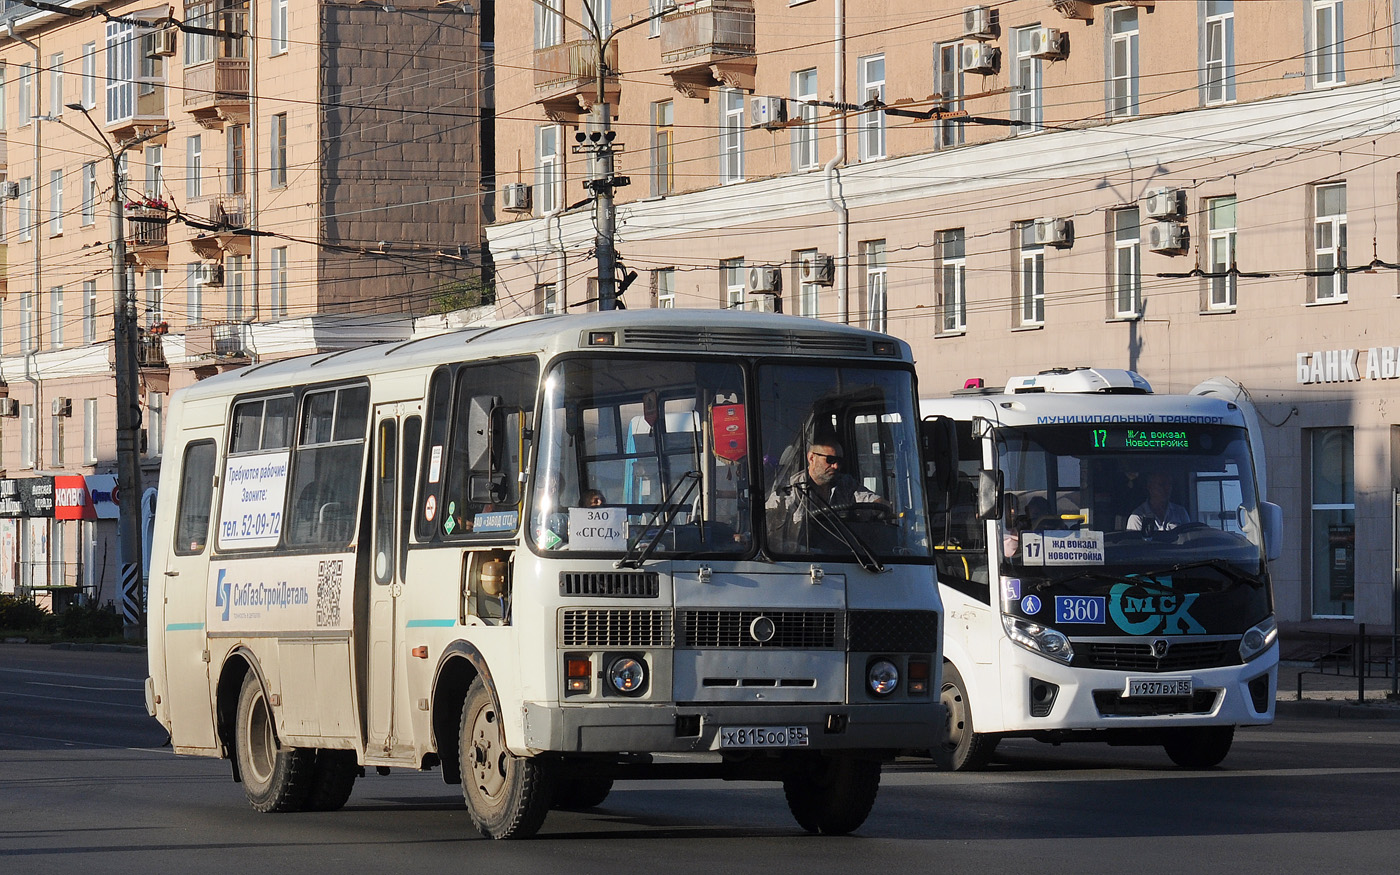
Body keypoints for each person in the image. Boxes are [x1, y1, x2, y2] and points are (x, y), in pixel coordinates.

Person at [766, 437, 888, 550]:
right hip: (802, 561)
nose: (835, 466)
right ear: (811, 458)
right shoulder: (788, 493)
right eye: (830, 460)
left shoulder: (846, 484)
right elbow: (772, 537)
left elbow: (879, 503)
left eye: (839, 461)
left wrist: (862, 514)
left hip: (843, 556)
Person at [1126, 470, 1191, 532]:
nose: (1166, 489)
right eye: (1161, 484)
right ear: (1150, 487)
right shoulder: (1137, 517)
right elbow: (1135, 542)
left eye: (1169, 484)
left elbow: (1188, 538)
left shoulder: (1180, 512)